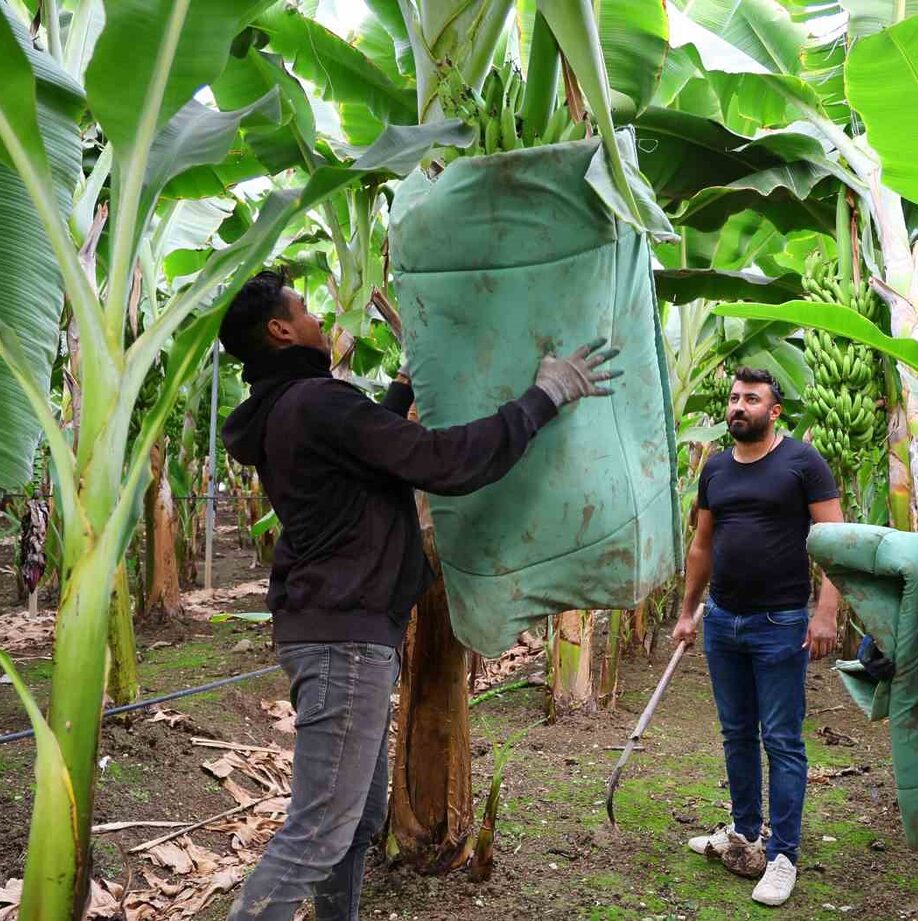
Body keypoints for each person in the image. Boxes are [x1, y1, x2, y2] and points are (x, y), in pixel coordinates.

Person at [218, 270, 619, 921]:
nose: (319, 318)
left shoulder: (289, 407)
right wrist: (544, 396)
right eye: (305, 308)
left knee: (357, 819)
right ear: (280, 329)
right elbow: (442, 461)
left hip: (337, 628)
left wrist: (403, 385)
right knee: (320, 828)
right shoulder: (317, 401)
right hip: (346, 639)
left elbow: (364, 452)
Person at [672, 367, 844, 908]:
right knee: (736, 733)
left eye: (751, 398)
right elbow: (703, 545)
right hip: (723, 620)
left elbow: (835, 543)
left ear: (774, 411)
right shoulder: (716, 468)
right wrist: (687, 611)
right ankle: (745, 834)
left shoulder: (802, 463)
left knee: (783, 741)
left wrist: (825, 614)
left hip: (781, 624)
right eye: (733, 398)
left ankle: (783, 854)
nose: (738, 406)